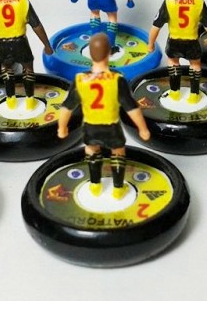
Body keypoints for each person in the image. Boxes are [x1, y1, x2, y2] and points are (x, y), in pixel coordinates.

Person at [57, 33, 150, 200]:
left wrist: (62, 127)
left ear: (89, 54)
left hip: (90, 126)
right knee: (118, 152)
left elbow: (67, 107)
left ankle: (95, 185)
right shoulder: (117, 79)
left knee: (91, 150)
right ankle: (118, 188)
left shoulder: (80, 79)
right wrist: (142, 128)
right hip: (111, 126)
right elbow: (131, 107)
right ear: (110, 53)